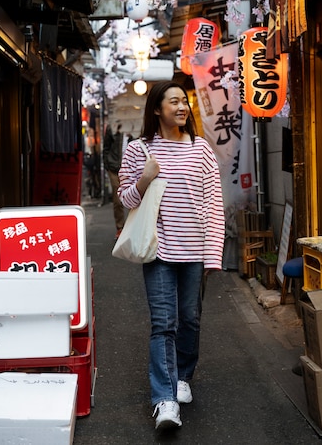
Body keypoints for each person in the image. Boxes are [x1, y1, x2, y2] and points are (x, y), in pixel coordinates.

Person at [118, 81, 225, 431]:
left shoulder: (201, 149)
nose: (182, 107)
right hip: (158, 250)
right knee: (163, 323)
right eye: (174, 101)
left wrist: (212, 255)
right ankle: (164, 400)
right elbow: (126, 201)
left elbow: (212, 206)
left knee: (190, 319)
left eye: (185, 102)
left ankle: (183, 375)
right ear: (156, 109)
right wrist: (145, 179)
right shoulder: (139, 150)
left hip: (195, 251)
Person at [103, 122, 132, 239]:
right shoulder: (112, 127)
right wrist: (107, 165)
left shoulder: (136, 125)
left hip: (131, 168)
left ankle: (132, 228)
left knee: (134, 198)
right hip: (114, 168)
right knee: (117, 199)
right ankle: (120, 227)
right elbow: (106, 148)